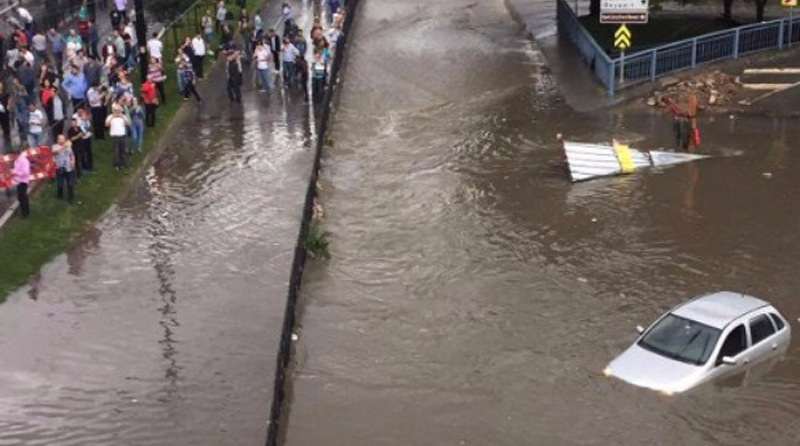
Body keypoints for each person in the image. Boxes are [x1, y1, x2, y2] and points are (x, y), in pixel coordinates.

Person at [105, 104, 130, 170]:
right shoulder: (110, 117)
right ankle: (116, 165)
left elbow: (127, 123)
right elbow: (107, 125)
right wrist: (113, 117)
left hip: (122, 136)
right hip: (114, 136)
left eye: (118, 110)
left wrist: (122, 117)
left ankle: (123, 164)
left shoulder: (123, 116)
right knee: (116, 151)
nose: (117, 112)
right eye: (116, 110)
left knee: (122, 151)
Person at [53, 134, 76, 203]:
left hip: (68, 167)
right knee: (60, 184)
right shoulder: (55, 146)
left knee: (70, 184)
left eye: (64, 139)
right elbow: (54, 151)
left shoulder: (68, 147)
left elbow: (72, 155)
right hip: (59, 168)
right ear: (58, 140)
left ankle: (70, 198)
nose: (63, 140)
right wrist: (64, 146)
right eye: (61, 139)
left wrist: (73, 162)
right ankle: (59, 195)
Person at [12, 146, 30, 217]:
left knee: (22, 197)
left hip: (23, 181)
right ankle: (24, 211)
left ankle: (25, 213)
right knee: (20, 197)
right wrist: (14, 172)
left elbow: (26, 172)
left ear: (17, 154)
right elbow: (16, 169)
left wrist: (16, 173)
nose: (12, 157)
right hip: (18, 181)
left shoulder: (24, 160)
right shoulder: (16, 161)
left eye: (13, 155)